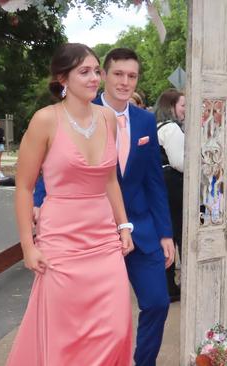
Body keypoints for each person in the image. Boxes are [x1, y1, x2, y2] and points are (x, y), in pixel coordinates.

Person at [34, 47, 175, 366]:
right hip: (88, 233)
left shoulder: (145, 121)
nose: (125, 82)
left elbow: (154, 180)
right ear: (104, 75)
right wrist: (39, 202)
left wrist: (165, 232)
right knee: (93, 320)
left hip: (140, 229)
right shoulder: (76, 110)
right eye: (118, 74)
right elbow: (54, 163)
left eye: (132, 76)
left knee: (157, 303)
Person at [6, 43, 134, 365]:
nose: (94, 78)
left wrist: (123, 226)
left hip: (104, 240)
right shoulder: (45, 120)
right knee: (66, 336)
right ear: (63, 78)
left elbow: (109, 180)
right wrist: (27, 245)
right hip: (61, 241)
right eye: (84, 71)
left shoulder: (107, 118)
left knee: (117, 330)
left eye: (96, 71)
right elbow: (23, 187)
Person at [154, 88, 186, 302]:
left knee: (166, 233)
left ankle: (166, 284)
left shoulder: (155, 126)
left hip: (161, 184)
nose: (185, 110)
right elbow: (180, 163)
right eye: (183, 105)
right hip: (173, 184)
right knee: (177, 233)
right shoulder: (171, 128)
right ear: (171, 106)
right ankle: (172, 286)